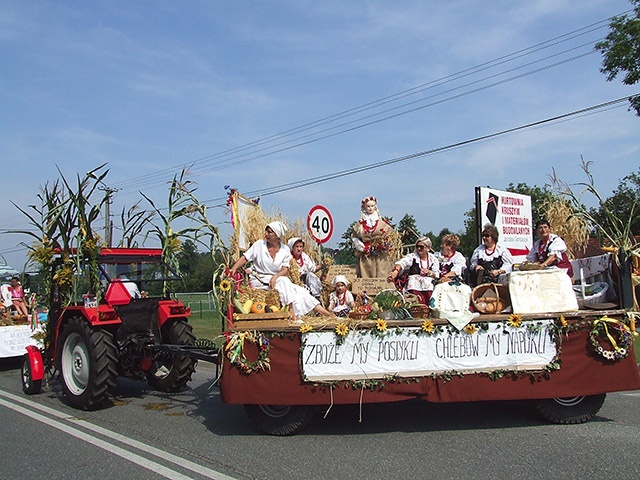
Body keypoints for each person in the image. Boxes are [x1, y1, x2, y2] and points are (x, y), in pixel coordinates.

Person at [229, 221, 333, 319]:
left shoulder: (285, 250)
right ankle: (292, 313)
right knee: (285, 281)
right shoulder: (259, 245)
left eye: (270, 232)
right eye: (267, 231)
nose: (266, 234)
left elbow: (285, 270)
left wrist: (275, 277)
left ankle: (325, 313)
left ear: (277, 235)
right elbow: (245, 258)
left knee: (301, 291)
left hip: (276, 280)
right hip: (259, 280)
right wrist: (233, 269)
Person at [351, 196, 396, 278]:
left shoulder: (382, 222)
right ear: (364, 207)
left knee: (382, 274)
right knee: (367, 275)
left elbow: (390, 235)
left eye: (372, 206)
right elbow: (355, 238)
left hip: (381, 255)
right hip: (366, 255)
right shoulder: (359, 225)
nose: (370, 208)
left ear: (375, 206)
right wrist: (362, 247)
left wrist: (384, 244)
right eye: (368, 206)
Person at [388, 237, 440, 304]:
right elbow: (402, 263)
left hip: (428, 289)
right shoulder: (412, 257)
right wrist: (396, 271)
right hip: (413, 288)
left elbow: (436, 274)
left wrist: (429, 272)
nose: (418, 249)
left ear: (428, 248)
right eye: (417, 246)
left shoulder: (433, 259)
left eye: (421, 247)